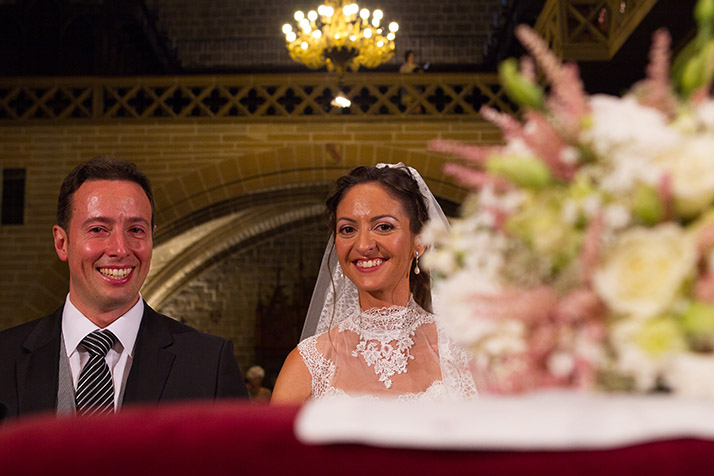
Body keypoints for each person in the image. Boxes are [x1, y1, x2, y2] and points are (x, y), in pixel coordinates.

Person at [0, 156, 247, 420]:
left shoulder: (209, 364)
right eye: (98, 229)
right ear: (62, 243)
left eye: (136, 230)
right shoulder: (4, 357)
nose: (120, 249)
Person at [271, 164, 479, 403]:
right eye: (348, 229)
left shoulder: (464, 352)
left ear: (419, 241)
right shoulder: (310, 364)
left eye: (384, 227)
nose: (363, 245)